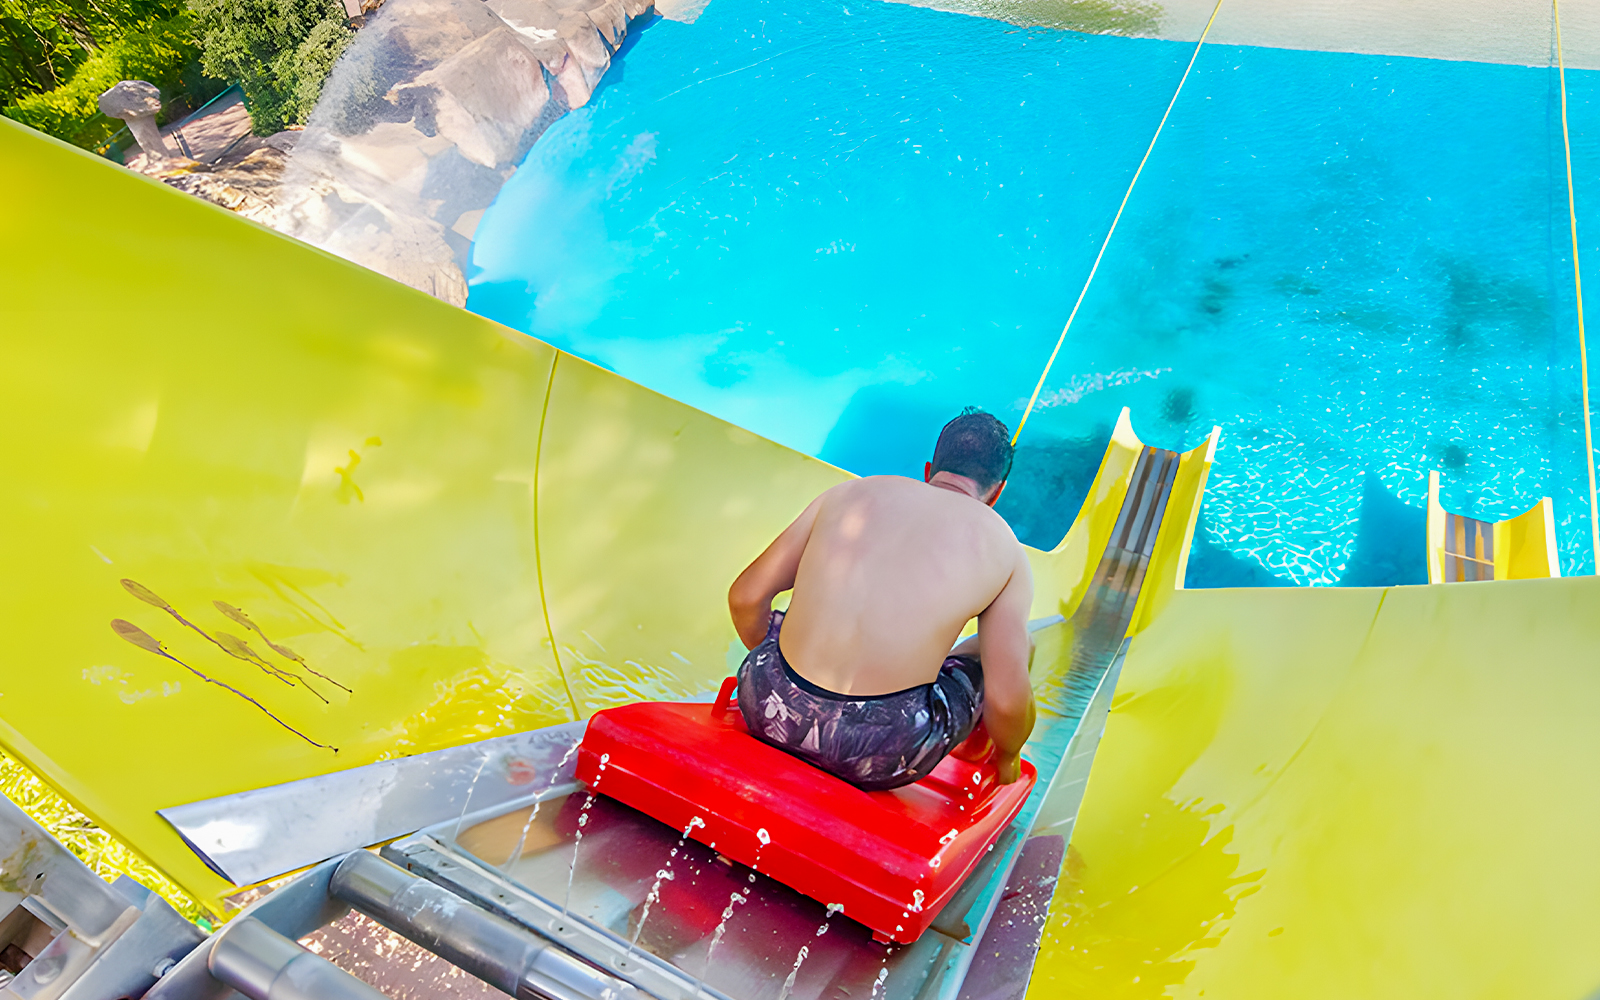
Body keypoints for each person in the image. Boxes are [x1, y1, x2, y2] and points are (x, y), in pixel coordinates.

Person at [728, 408, 1036, 791]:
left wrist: (785, 679)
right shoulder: (1005, 548)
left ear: (929, 470)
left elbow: (745, 597)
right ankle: (982, 753)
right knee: (1018, 648)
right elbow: (1006, 701)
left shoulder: (851, 493)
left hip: (766, 706)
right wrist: (1010, 757)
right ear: (998, 492)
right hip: (886, 752)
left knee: (793, 621)